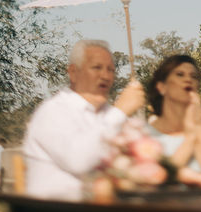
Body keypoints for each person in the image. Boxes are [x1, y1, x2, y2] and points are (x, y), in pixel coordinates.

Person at [23, 39, 145, 200]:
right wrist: (120, 112)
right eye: (97, 67)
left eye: (111, 70)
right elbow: (78, 161)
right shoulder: (53, 111)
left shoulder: (108, 114)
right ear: (73, 73)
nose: (106, 75)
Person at [146, 55, 201, 178]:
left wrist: (198, 127)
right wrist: (190, 138)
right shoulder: (144, 134)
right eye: (180, 74)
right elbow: (157, 179)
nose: (188, 79)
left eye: (194, 76)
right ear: (162, 87)